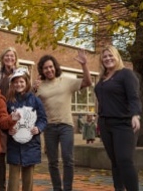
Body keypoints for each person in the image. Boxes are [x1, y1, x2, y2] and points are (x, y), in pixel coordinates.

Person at [34, 49, 92, 191]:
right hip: (49, 127)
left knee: (68, 160)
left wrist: (84, 65)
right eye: (45, 68)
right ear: (42, 70)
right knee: (52, 162)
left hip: (66, 125)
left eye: (51, 66)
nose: (49, 70)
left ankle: (67, 188)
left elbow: (88, 82)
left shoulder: (66, 81)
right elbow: (31, 105)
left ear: (55, 67)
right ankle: (57, 188)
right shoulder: (40, 86)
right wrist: (32, 90)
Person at [94, 45, 141, 191]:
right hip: (106, 124)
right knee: (115, 162)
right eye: (104, 57)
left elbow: (134, 97)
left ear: (117, 56)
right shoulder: (102, 79)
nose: (107, 59)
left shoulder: (126, 74)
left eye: (110, 55)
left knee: (124, 161)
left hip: (123, 123)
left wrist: (135, 115)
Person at [6, 68, 47, 191]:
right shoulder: (9, 102)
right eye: (16, 82)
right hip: (14, 145)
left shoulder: (35, 100)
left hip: (31, 146)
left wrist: (38, 128)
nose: (19, 84)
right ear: (12, 84)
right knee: (13, 180)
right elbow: (3, 120)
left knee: (28, 180)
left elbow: (43, 119)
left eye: (21, 81)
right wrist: (8, 129)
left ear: (27, 82)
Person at [0, 47, 19, 191]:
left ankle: (13, 186)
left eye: (12, 56)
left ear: (15, 59)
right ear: (2, 58)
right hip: (0, 116)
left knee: (14, 152)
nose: (9, 58)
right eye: (6, 56)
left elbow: (26, 90)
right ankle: (1, 186)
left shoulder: (20, 74)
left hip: (16, 115)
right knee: (0, 154)